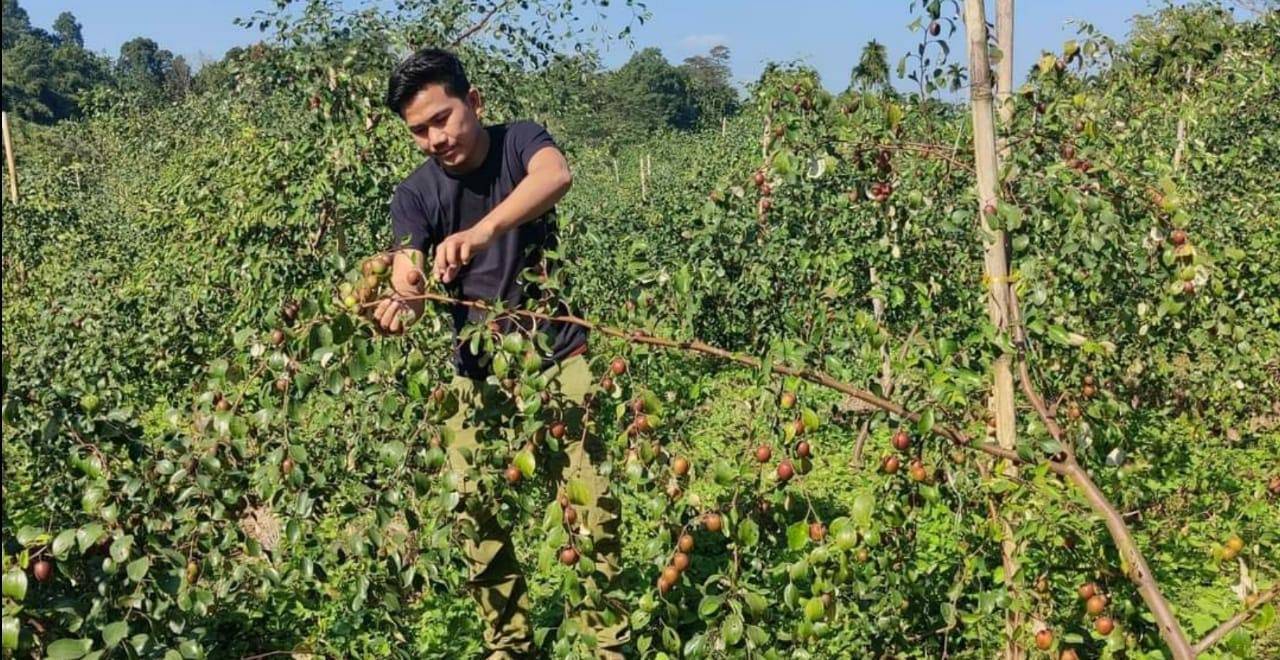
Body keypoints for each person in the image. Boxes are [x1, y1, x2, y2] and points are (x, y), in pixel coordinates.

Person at [374, 47, 628, 659]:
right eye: (418, 131)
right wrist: (404, 296)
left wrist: (483, 230)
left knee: (592, 507)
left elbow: (555, 177)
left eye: (442, 119)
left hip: (559, 357)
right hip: (477, 374)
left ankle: (606, 643)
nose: (434, 138)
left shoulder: (520, 143)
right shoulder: (416, 194)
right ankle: (509, 643)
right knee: (475, 517)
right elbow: (407, 265)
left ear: (475, 103)